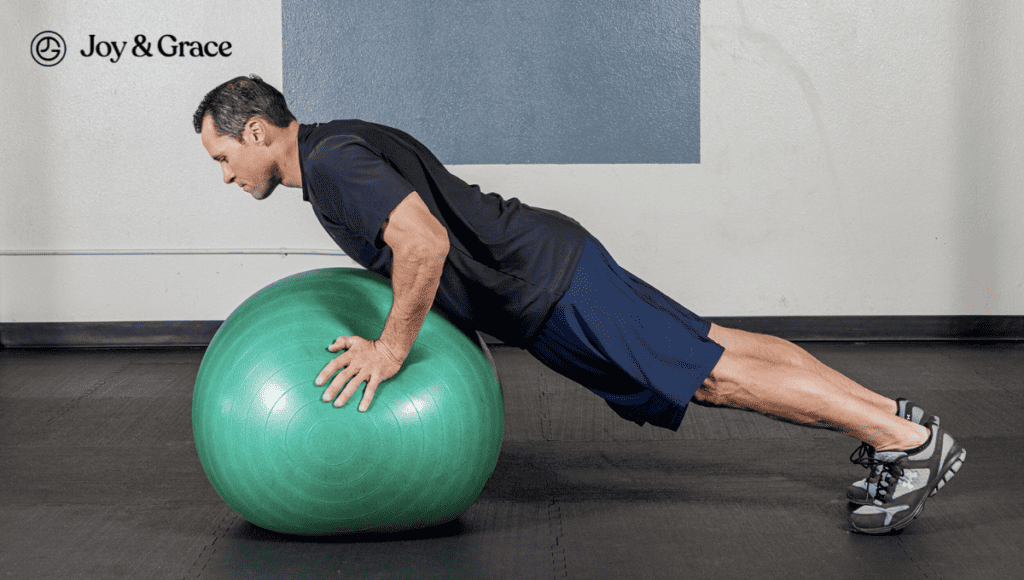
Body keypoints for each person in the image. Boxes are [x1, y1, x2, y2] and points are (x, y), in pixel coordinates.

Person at [193, 75, 965, 535]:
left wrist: (391, 350)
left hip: (546, 286)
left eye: (224, 158)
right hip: (553, 261)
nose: (226, 177)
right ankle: (899, 420)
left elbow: (422, 244)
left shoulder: (332, 167)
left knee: (709, 375)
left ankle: (904, 443)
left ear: (257, 131)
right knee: (714, 345)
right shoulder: (339, 143)